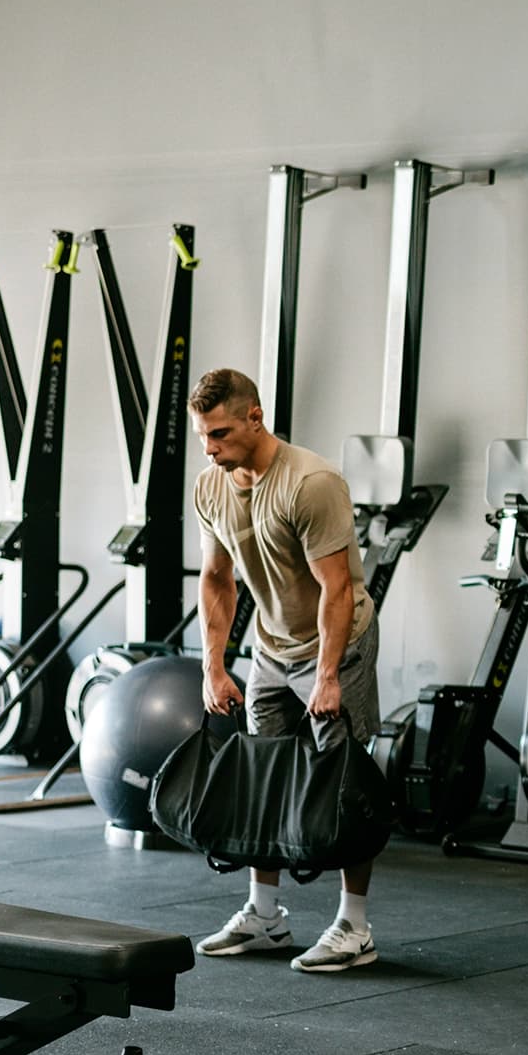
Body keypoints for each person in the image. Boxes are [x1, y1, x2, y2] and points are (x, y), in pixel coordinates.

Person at [185, 367, 383, 974]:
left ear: (255, 417)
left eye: (219, 433)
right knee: (263, 776)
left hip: (335, 646)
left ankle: (354, 925)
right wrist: (212, 666)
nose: (210, 448)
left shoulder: (312, 483)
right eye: (202, 437)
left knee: (343, 782)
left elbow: (338, 589)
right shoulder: (212, 486)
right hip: (270, 649)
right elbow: (217, 580)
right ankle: (264, 915)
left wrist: (326, 675)